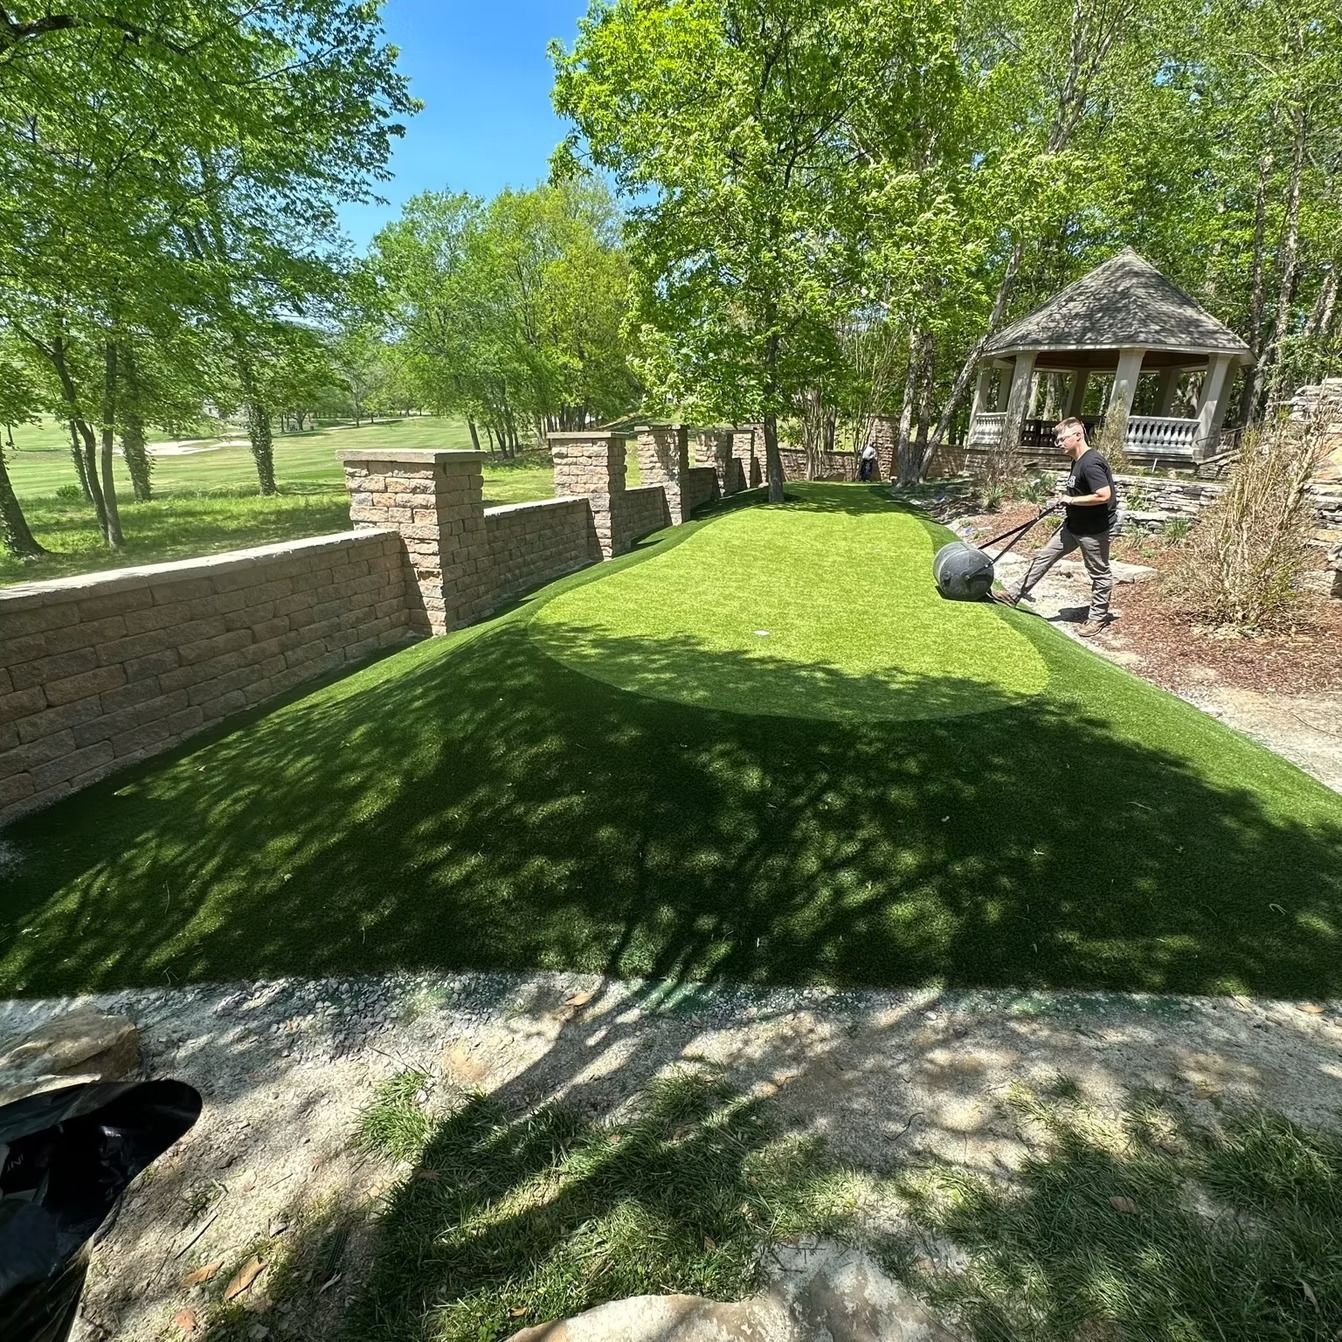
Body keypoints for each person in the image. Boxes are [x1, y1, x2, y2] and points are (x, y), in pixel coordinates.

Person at [1002, 417, 1118, 637]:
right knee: (1044, 556)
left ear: (1078, 435)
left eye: (1062, 439)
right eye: (1058, 440)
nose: (1059, 443)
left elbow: (1104, 495)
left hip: (1093, 530)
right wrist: (1064, 500)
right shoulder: (1077, 460)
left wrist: (1071, 501)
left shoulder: (1091, 462)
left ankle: (1097, 617)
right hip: (1073, 526)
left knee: (1099, 573)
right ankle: (1013, 594)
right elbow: (1079, 492)